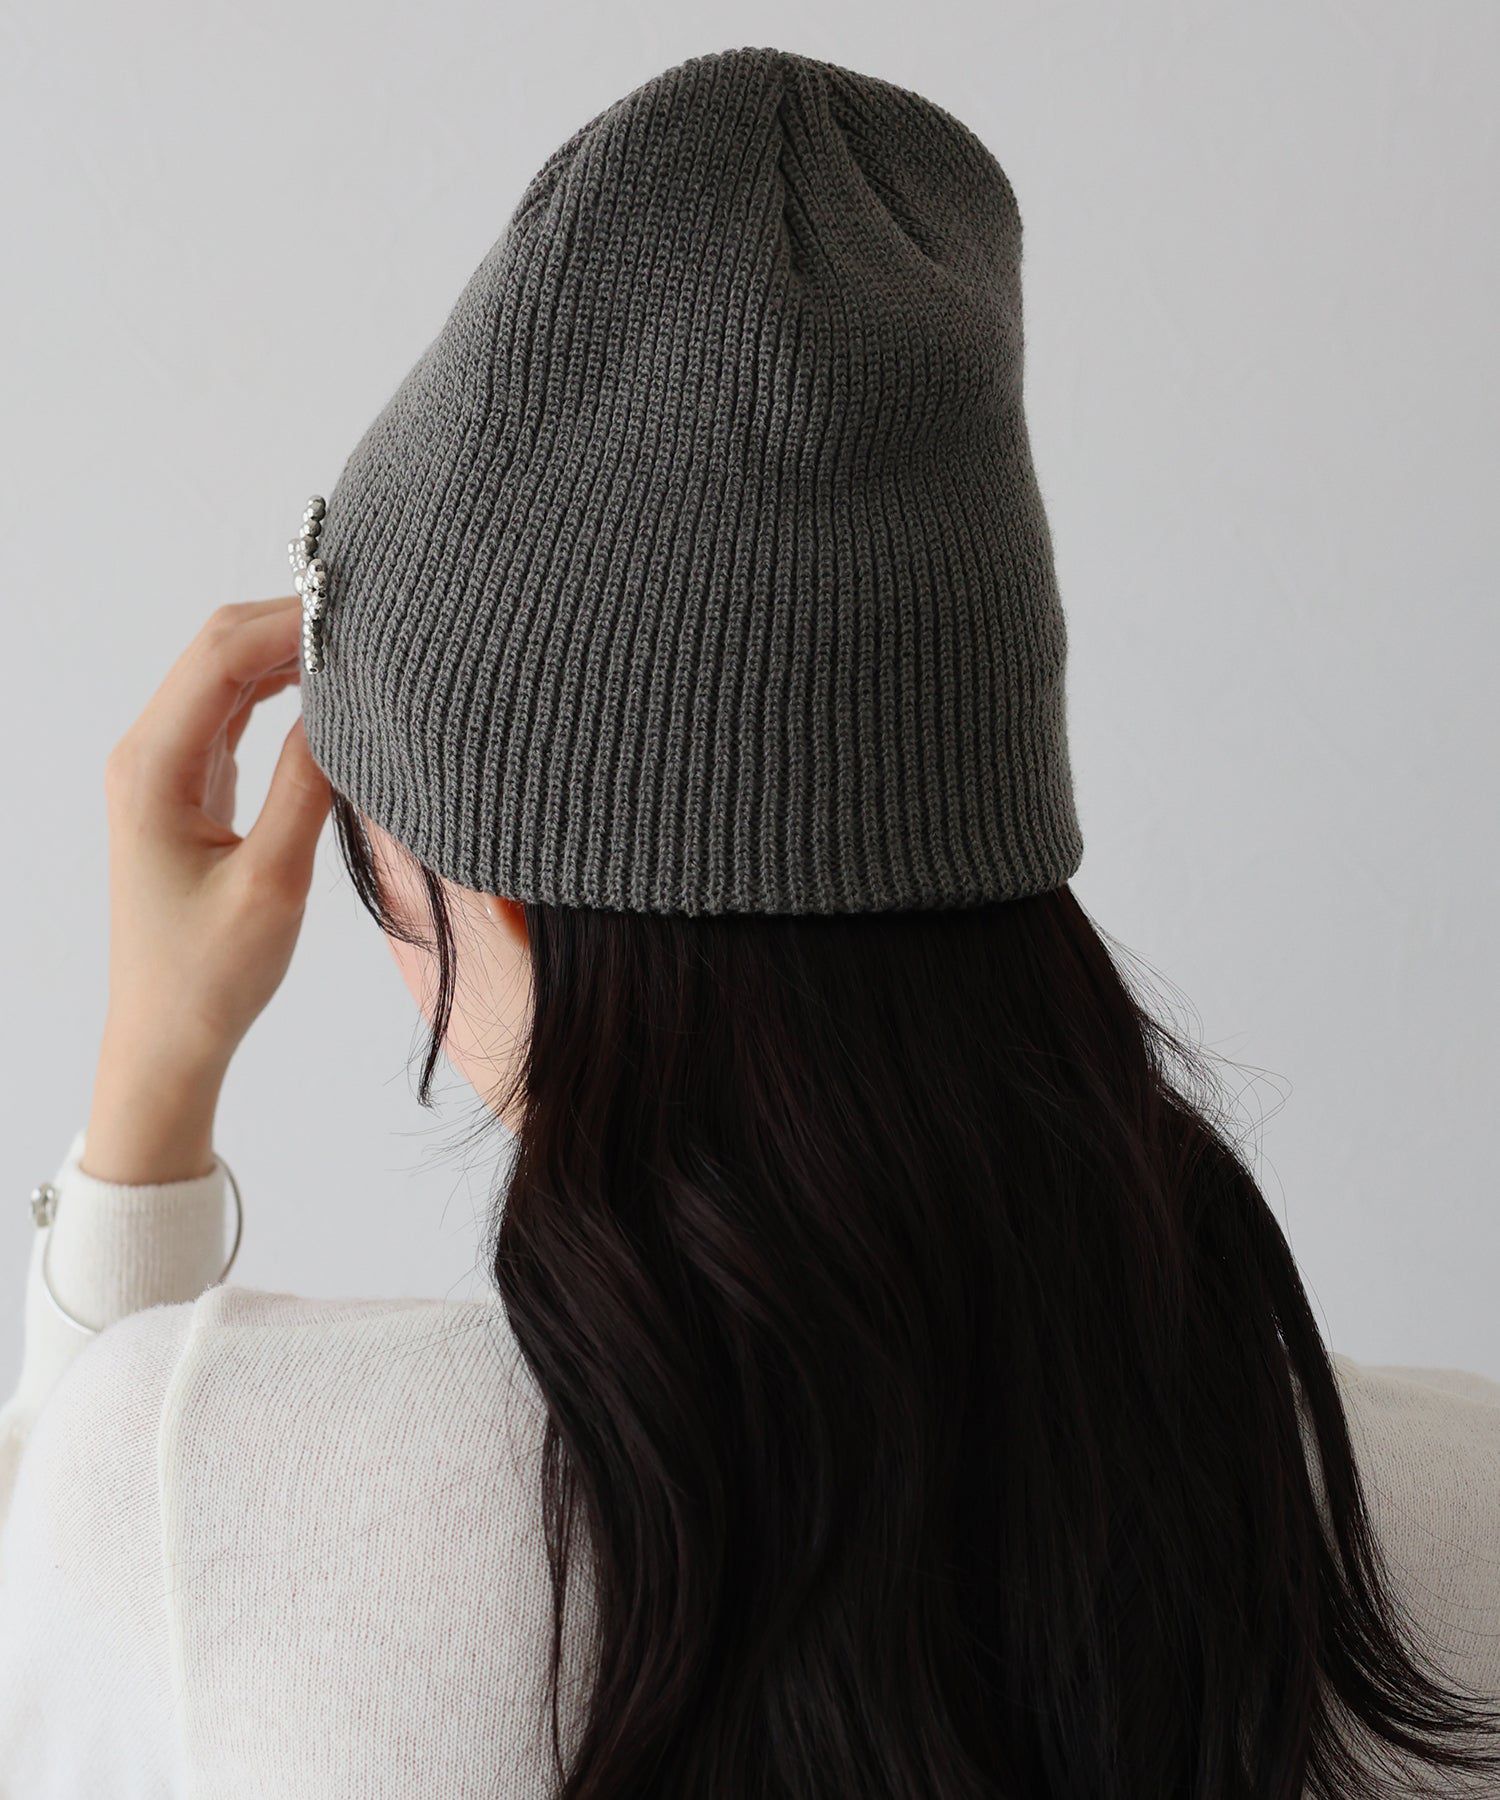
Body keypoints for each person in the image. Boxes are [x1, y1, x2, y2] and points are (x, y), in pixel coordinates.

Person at [2, 44, 1497, 1800]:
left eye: (376, 867)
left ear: (507, 905)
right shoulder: (1455, 1513)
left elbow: (53, 1662)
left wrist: (151, 1082)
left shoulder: (210, 1502)